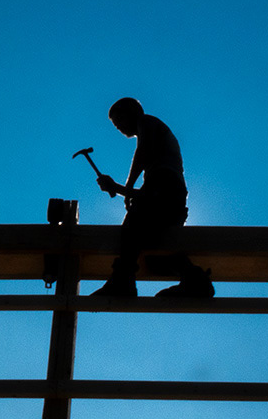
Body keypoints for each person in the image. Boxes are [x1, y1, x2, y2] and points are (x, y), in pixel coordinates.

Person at [91, 97, 213, 298]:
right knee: (156, 256)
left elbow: (143, 154)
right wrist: (122, 190)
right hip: (172, 197)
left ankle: (122, 282)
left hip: (166, 188)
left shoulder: (147, 122)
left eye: (119, 120)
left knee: (131, 228)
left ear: (132, 113)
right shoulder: (159, 152)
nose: (119, 127)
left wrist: (124, 187)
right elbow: (147, 196)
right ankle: (194, 280)